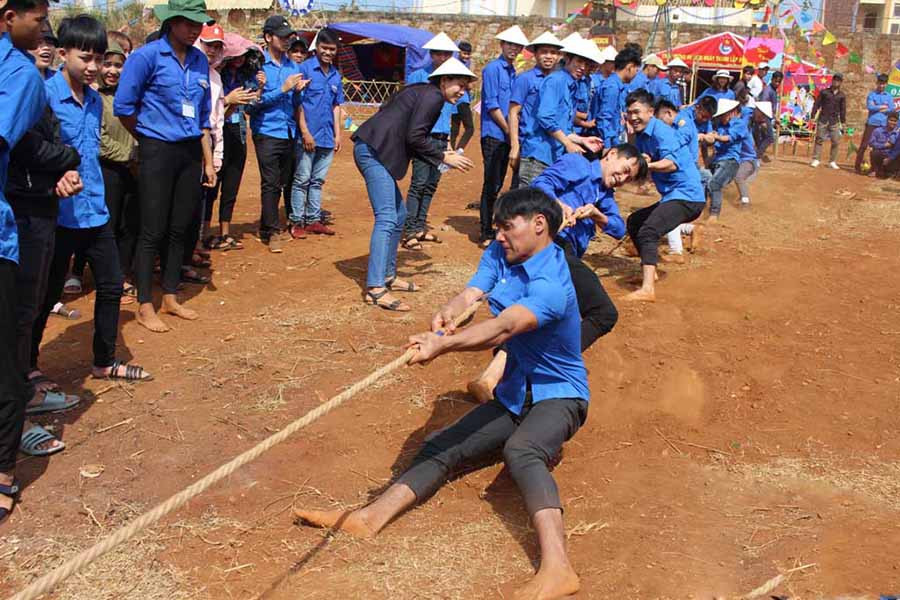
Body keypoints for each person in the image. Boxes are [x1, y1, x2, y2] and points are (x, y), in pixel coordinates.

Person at [296, 187, 590, 600]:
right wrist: (450, 312)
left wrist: (443, 345)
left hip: (559, 396)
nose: (499, 236)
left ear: (539, 224)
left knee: (523, 450)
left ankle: (559, 569)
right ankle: (369, 517)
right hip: (510, 395)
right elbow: (472, 292)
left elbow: (504, 327)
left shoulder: (552, 283)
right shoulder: (503, 254)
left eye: (508, 227)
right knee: (442, 444)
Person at [468, 145, 646, 403]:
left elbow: (619, 229)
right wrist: (558, 206)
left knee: (537, 316)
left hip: (560, 254)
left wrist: (597, 215)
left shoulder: (604, 195)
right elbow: (541, 185)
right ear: (611, 155)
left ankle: (490, 378)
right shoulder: (578, 165)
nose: (623, 177)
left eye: (628, 178)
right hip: (552, 248)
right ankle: (548, 363)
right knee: (604, 313)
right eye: (625, 170)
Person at [33, 15, 152, 386]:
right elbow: (31, 151)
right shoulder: (43, 97)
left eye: (99, 59)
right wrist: (54, 178)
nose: (94, 67)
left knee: (112, 284)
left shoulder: (96, 102)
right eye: (85, 58)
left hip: (94, 209)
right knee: (45, 294)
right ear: (63, 53)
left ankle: (104, 362)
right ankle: (28, 368)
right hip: (58, 214)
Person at [114, 0, 218, 332]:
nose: (194, 29)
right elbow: (124, 106)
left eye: (198, 23)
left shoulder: (201, 60)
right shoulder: (147, 57)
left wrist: (205, 159)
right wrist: (148, 139)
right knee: (152, 229)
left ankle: (170, 296)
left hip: (189, 152)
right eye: (189, 22)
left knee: (180, 227)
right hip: (157, 149)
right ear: (171, 22)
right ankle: (146, 304)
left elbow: (203, 117)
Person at [351, 58, 474, 312]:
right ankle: (375, 288)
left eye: (466, 87)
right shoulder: (433, 97)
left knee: (399, 213)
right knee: (387, 217)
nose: (462, 91)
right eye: (458, 85)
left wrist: (441, 153)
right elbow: (415, 137)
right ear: (444, 80)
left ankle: (388, 276)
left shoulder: (421, 91)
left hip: (375, 148)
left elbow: (410, 132)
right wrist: (443, 156)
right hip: (374, 151)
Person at [0, 0, 55, 524]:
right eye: (37, 17)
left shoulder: (19, 74)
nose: (44, 27)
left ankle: (1, 467)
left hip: (6, 229)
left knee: (7, 351)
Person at [623, 89, 705, 302]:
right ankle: (652, 273)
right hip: (673, 195)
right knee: (635, 222)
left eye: (637, 112)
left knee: (648, 231)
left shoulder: (662, 132)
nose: (633, 117)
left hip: (688, 196)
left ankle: (648, 289)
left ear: (651, 112)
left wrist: (646, 165)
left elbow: (671, 164)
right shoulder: (641, 135)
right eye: (629, 112)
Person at [246, 15, 308, 253]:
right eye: (282, 37)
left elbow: (295, 102)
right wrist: (283, 89)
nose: (286, 41)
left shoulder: (293, 66)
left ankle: (266, 225)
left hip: (288, 131)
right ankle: (273, 231)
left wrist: (299, 91)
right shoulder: (258, 67)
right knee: (270, 182)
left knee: (283, 181)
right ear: (268, 37)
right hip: (267, 131)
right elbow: (252, 105)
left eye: (288, 37)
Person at [204, 32, 263, 250]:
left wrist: (260, 89)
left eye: (244, 55)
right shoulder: (215, 76)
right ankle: (204, 234)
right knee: (211, 187)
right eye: (236, 54)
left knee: (231, 184)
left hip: (238, 134)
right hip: (217, 136)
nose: (240, 58)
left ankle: (225, 233)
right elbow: (214, 113)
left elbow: (252, 107)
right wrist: (229, 101)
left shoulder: (246, 77)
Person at [399, 31, 458, 251]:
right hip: (424, 137)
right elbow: (408, 107)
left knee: (432, 184)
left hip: (442, 139)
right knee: (419, 183)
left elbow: (449, 113)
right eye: (438, 53)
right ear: (431, 54)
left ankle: (421, 225)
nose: (442, 57)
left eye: (446, 54)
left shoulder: (452, 79)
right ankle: (410, 230)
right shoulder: (417, 76)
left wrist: (450, 141)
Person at [519, 37, 604, 189]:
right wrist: (567, 143)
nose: (582, 67)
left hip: (552, 155)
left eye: (587, 64)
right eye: (579, 61)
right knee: (528, 205)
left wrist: (580, 140)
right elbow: (545, 117)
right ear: (568, 58)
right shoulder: (556, 81)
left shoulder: (571, 85)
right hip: (538, 155)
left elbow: (562, 128)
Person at [181, 22, 226, 287]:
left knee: (200, 201)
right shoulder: (189, 70)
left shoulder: (216, 77)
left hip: (209, 143)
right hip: (188, 142)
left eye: (217, 46)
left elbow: (217, 120)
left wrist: (216, 153)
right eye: (208, 44)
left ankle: (190, 253)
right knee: (183, 204)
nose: (213, 50)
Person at [288, 27, 341, 240]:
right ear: (316, 48)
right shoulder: (305, 70)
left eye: (332, 49)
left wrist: (338, 135)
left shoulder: (336, 75)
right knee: (301, 179)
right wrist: (305, 132)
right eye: (324, 48)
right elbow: (297, 103)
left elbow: (337, 107)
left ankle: (313, 219)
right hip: (308, 135)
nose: (328, 52)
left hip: (328, 136)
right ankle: (296, 221)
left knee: (317, 181)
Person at [477, 25, 527, 247]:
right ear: (502, 45)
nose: (514, 49)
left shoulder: (513, 72)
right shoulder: (492, 69)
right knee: (492, 183)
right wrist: (509, 129)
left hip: (508, 135)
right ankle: (486, 231)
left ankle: (499, 225)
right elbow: (492, 105)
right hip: (495, 134)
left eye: (517, 46)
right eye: (510, 44)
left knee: (506, 181)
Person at [98, 41, 139, 301]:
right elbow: (99, 139)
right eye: (108, 64)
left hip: (134, 170)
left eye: (119, 65)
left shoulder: (133, 96)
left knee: (130, 224)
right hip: (109, 170)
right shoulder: (95, 98)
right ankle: (110, 278)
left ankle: (124, 275)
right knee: (110, 225)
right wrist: (129, 157)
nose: (112, 70)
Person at [654, 97, 715, 262]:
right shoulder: (686, 117)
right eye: (704, 116)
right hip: (687, 167)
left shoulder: (683, 120)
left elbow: (677, 142)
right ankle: (690, 229)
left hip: (682, 168)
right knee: (671, 209)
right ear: (699, 108)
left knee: (670, 207)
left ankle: (675, 251)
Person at [508, 31, 563, 190]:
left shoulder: (559, 80)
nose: (548, 56)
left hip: (553, 149)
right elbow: (513, 112)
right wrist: (515, 146)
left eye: (553, 52)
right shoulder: (526, 79)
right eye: (544, 52)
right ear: (535, 54)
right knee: (526, 195)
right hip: (531, 147)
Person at [706, 97, 749, 222]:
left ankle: (714, 215)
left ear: (731, 112)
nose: (721, 117)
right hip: (717, 161)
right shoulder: (718, 125)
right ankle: (703, 210)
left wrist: (715, 137)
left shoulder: (739, 124)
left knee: (714, 183)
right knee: (705, 183)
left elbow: (729, 138)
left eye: (723, 114)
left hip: (730, 161)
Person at [594, 48, 641, 151]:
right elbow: (604, 117)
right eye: (636, 70)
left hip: (615, 138)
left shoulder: (619, 86)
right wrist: (606, 146)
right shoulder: (612, 87)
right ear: (630, 67)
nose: (636, 74)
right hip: (606, 142)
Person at [733, 101, 772, 209]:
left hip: (749, 158)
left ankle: (745, 200)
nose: (764, 120)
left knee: (739, 176)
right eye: (763, 116)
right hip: (737, 153)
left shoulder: (749, 126)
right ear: (757, 111)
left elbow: (769, 138)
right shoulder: (745, 113)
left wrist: (759, 154)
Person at [855, 74, 893, 174]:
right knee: (864, 145)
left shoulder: (889, 96)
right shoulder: (872, 94)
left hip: (882, 125)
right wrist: (883, 107)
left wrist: (877, 106)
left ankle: (875, 168)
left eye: (884, 84)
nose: (881, 86)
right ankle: (857, 166)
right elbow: (870, 107)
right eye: (880, 83)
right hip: (871, 123)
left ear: (886, 84)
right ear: (877, 83)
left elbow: (891, 109)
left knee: (878, 147)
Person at [810, 72, 845, 170]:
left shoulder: (842, 96)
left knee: (835, 141)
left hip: (834, 120)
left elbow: (843, 109)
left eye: (838, 80)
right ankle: (816, 159)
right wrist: (813, 115)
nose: (836, 82)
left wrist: (843, 122)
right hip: (823, 118)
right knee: (819, 139)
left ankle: (832, 161)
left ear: (841, 82)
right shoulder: (824, 92)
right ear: (832, 80)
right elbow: (817, 104)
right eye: (835, 80)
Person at [449, 39, 474, 151]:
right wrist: (468, 85)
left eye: (468, 54)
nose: (466, 56)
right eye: (464, 53)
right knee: (470, 128)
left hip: (455, 101)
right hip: (462, 100)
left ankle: (451, 151)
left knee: (455, 129)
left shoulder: (464, 64)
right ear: (459, 52)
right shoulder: (457, 65)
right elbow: (468, 85)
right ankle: (459, 150)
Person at [754, 70, 781, 161]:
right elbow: (763, 105)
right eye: (775, 81)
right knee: (769, 137)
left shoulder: (773, 91)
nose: (777, 83)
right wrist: (763, 121)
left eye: (779, 82)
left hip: (768, 116)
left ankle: (759, 154)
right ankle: (757, 156)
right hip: (763, 116)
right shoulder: (768, 90)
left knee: (763, 138)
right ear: (772, 79)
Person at [869, 112, 899, 178]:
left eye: (895, 121)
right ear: (887, 120)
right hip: (881, 155)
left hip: (892, 157)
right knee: (874, 152)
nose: (893, 122)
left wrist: (890, 158)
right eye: (891, 120)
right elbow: (871, 143)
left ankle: (893, 172)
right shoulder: (878, 131)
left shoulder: (897, 133)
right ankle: (875, 170)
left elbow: (898, 148)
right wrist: (884, 145)